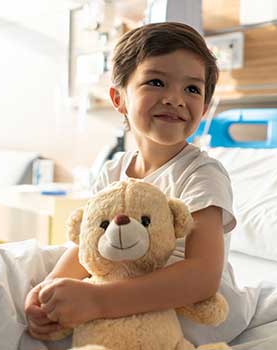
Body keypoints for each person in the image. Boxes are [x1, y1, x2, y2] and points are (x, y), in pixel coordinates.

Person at [25, 22, 241, 346]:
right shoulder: (113, 172)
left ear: (205, 107)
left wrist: (98, 301)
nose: (175, 99)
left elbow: (202, 276)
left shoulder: (201, 173)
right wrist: (49, 290)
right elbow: (86, 246)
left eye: (192, 89)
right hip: (123, 291)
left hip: (190, 307)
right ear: (118, 98)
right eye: (156, 82)